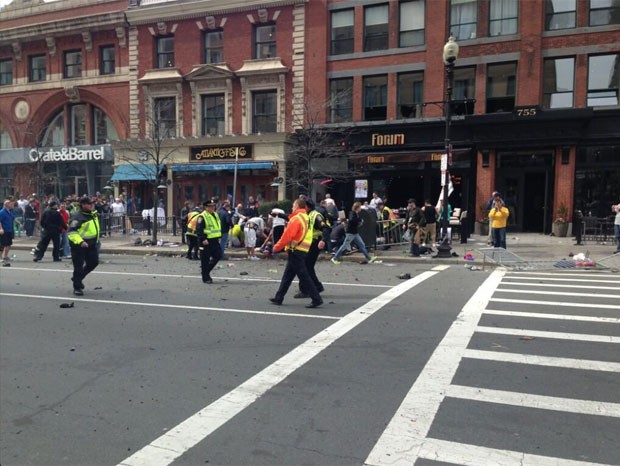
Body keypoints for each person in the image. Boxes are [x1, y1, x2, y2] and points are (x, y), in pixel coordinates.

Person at [269, 198, 323, 308]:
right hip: (301, 249)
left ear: (298, 206)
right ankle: (279, 297)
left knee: (304, 276)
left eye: (293, 205)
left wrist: (276, 247)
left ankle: (316, 298)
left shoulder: (296, 219)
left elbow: (287, 236)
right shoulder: (305, 217)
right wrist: (279, 214)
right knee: (288, 276)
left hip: (296, 250)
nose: (292, 207)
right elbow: (290, 217)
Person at [295, 198, 329, 299]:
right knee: (307, 267)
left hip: (315, 243)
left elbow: (326, 228)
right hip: (309, 244)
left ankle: (305, 290)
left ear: (306, 207)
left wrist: (323, 240)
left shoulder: (316, 215)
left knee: (304, 266)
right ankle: (316, 287)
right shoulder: (307, 215)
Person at [67, 196, 101, 295]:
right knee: (78, 266)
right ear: (83, 205)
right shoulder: (77, 216)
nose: (92, 205)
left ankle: (78, 278)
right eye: (89, 204)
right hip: (79, 245)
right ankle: (77, 287)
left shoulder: (93, 214)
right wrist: (81, 242)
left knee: (93, 262)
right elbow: (71, 232)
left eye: (92, 203)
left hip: (91, 244)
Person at [196, 200, 222, 284]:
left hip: (215, 240)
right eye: (210, 206)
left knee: (218, 255)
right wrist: (203, 239)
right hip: (206, 240)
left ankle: (206, 271)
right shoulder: (202, 216)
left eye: (213, 206)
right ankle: (206, 277)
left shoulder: (215, 214)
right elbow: (199, 229)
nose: (212, 208)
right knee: (205, 259)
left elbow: (217, 227)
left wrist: (219, 237)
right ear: (206, 207)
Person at [0, 199, 21, 267]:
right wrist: (1, 228)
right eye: (11, 204)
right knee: (2, 244)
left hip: (9, 230)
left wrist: (19, 223)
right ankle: (0, 257)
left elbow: (13, 218)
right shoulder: (2, 212)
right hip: (4, 230)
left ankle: (5, 256)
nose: (12, 205)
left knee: (8, 244)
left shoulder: (9, 212)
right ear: (7, 205)